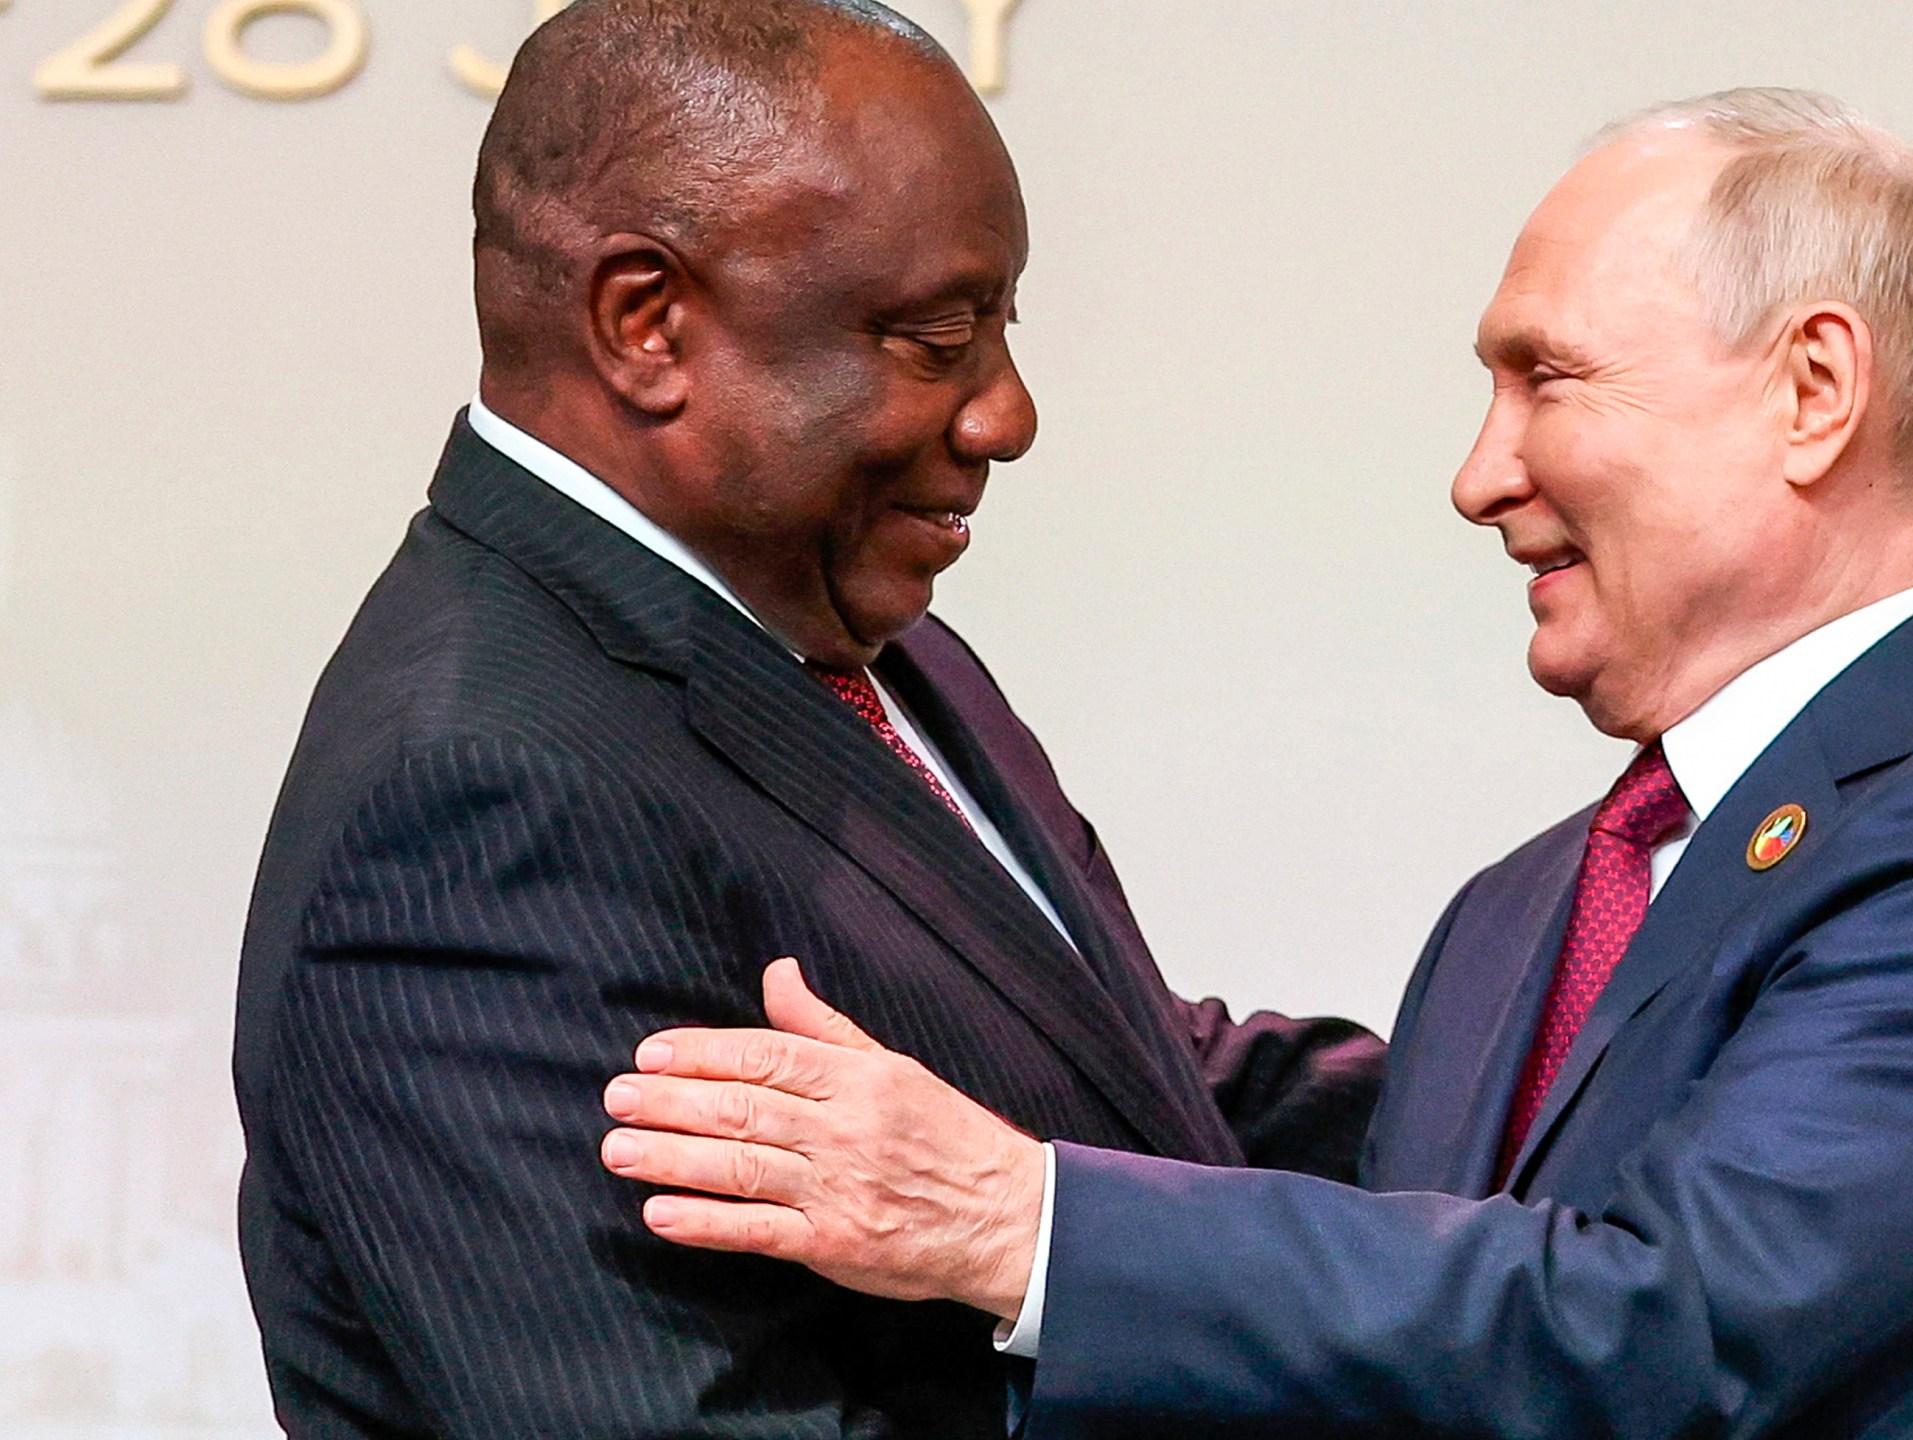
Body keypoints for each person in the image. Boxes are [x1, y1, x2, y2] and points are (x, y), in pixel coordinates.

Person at [598, 89, 1913, 1438]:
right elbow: (1346, 1201)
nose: (1481, 476)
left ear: (1813, 391)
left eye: (1545, 378)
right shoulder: (1527, 907)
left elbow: (1659, 1332)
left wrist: (1022, 1226)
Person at [230, 2, 1379, 1435]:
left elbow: (1122, 1074)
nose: (1004, 415)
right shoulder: (480, 800)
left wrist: (1606, 1096)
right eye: (932, 337)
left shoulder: (857, 637)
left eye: (999, 329)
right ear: (646, 323)